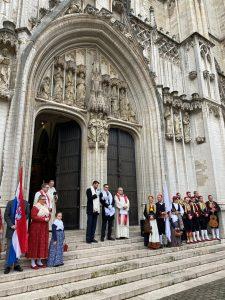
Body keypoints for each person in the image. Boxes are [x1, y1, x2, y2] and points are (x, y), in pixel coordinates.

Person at [4, 197, 29, 274]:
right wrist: (11, 225)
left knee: (18, 247)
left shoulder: (25, 203)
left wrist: (21, 224)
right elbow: (6, 215)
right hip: (11, 230)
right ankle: (8, 265)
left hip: (20, 230)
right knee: (9, 247)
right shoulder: (10, 203)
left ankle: (16, 264)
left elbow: (27, 214)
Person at [26, 195, 50, 269]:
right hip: (36, 228)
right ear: (39, 199)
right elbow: (33, 217)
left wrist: (48, 218)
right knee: (35, 243)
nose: (44, 200)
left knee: (42, 243)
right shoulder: (35, 207)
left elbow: (49, 215)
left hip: (44, 228)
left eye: (45, 199)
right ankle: (33, 262)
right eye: (43, 199)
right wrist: (43, 219)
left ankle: (39, 261)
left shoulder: (45, 207)